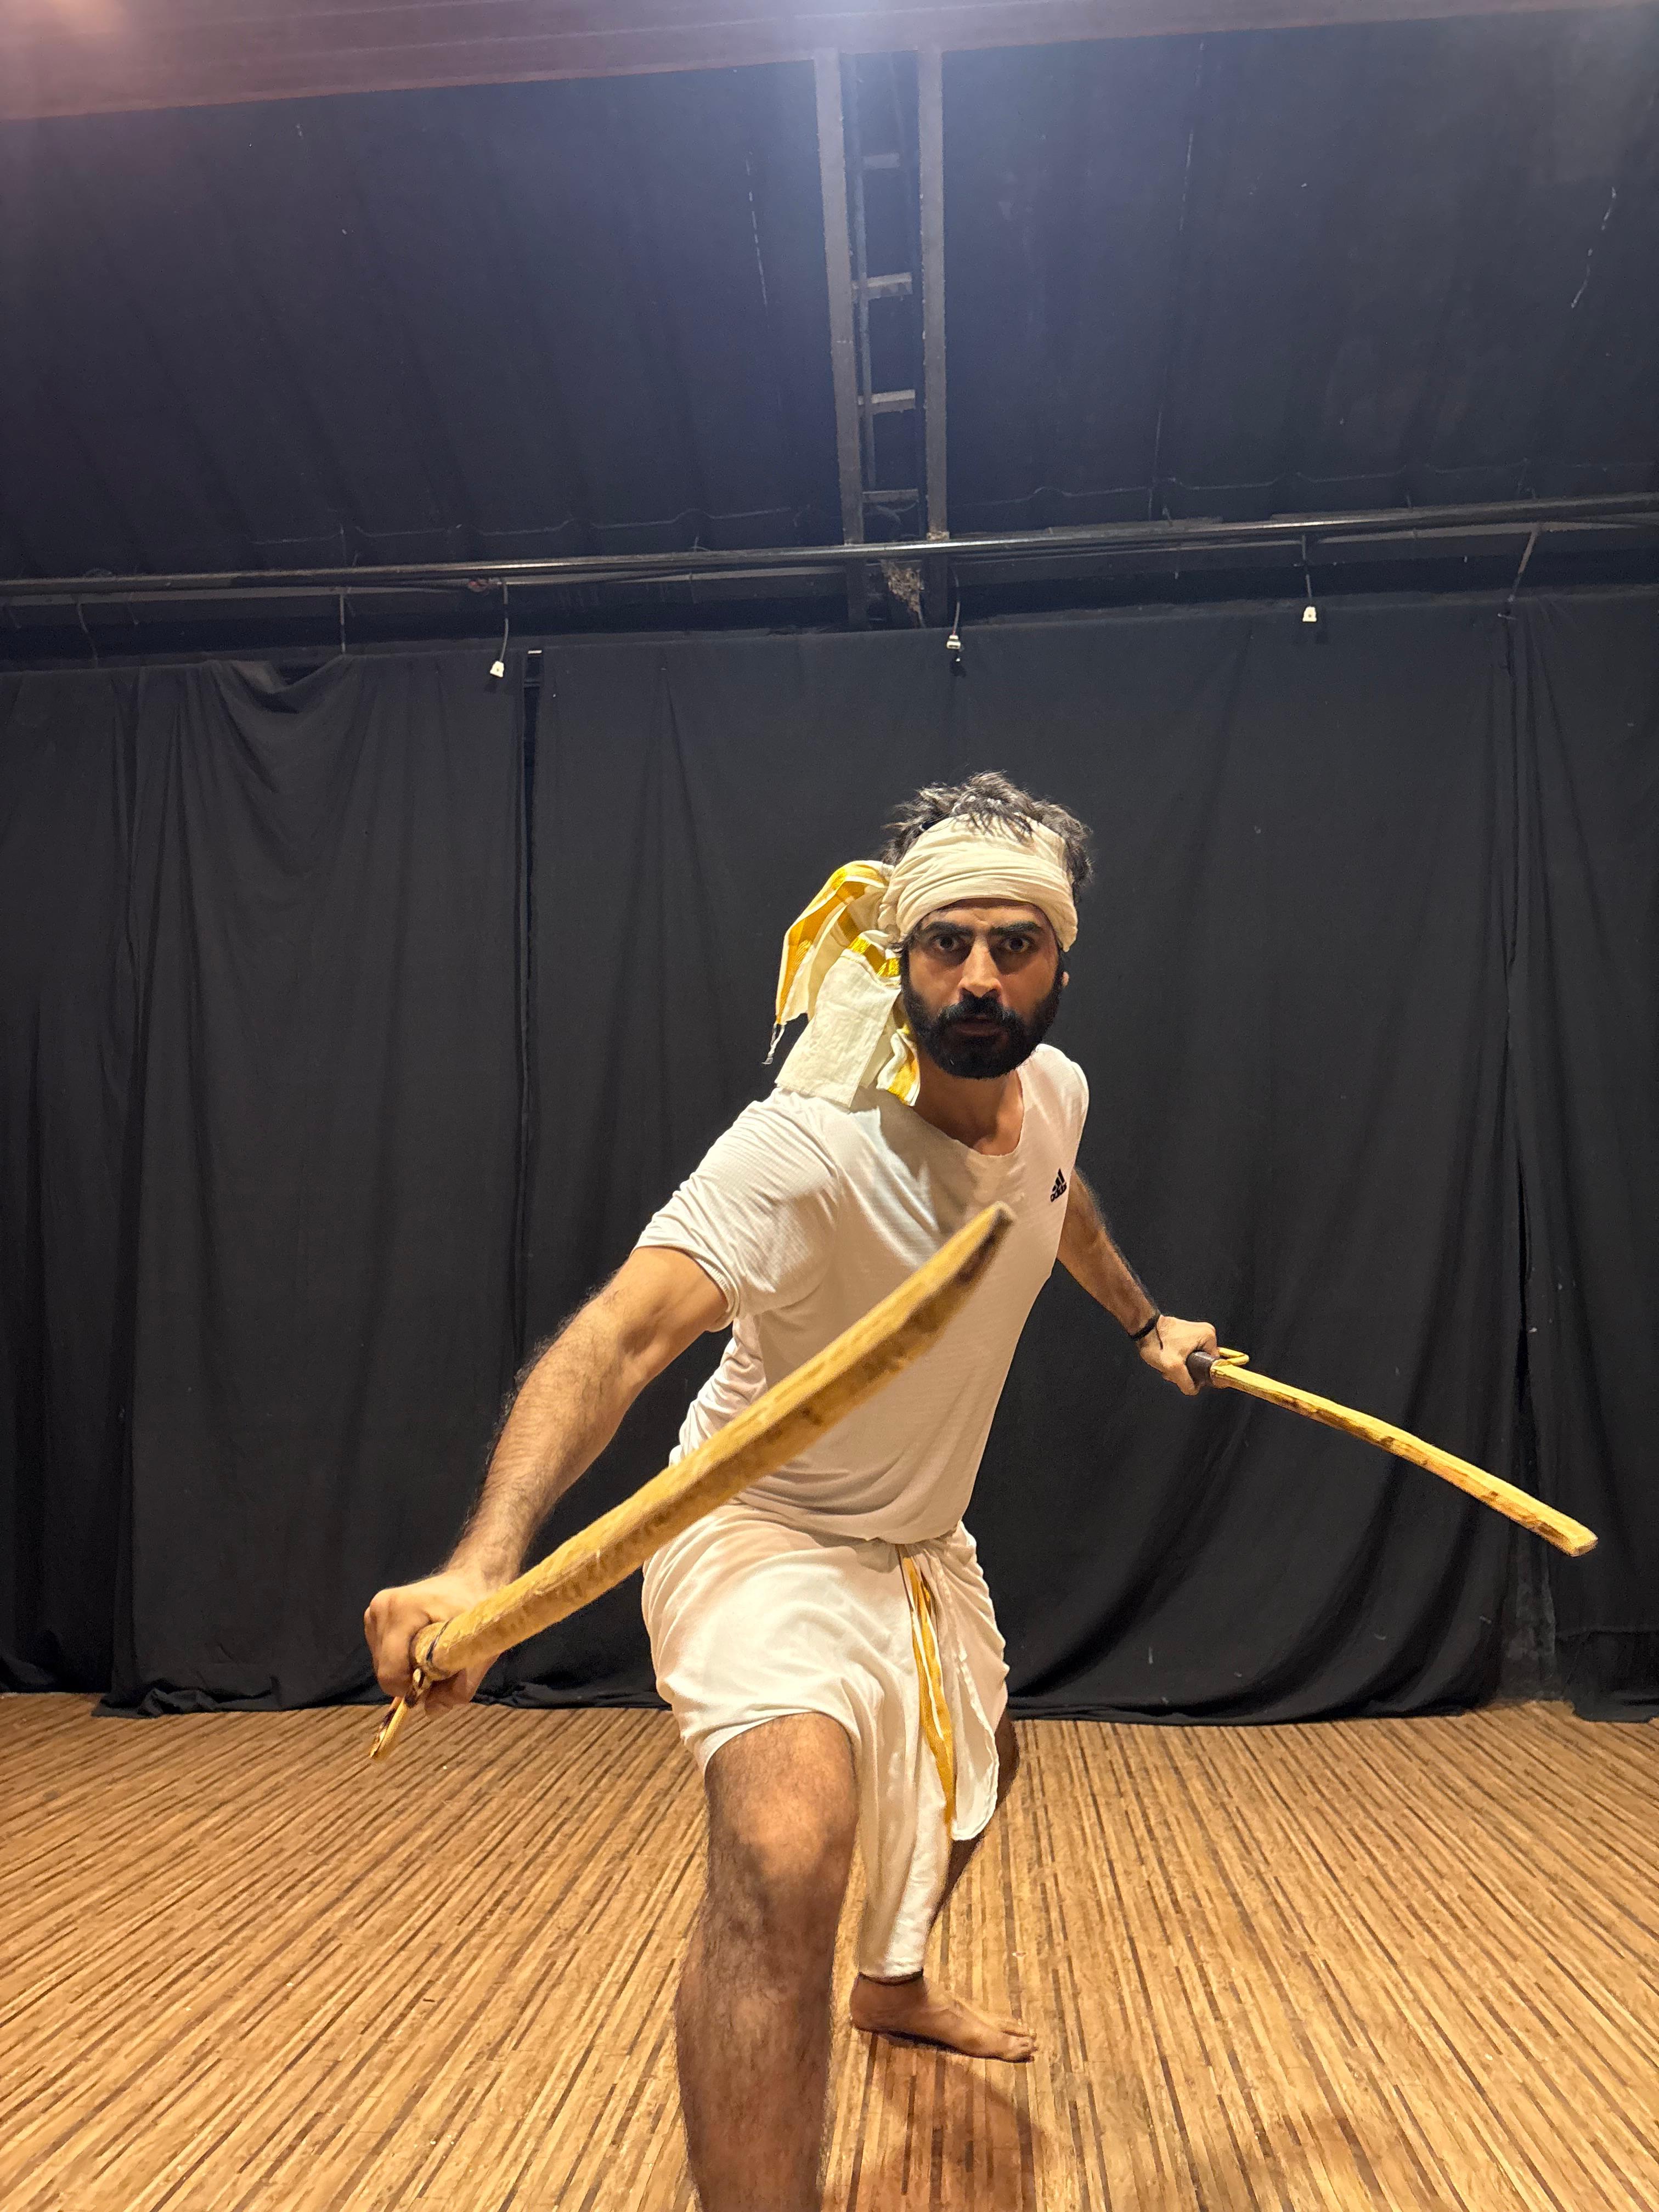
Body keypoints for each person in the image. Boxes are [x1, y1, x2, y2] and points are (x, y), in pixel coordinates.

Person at [365, 770, 1216, 2212]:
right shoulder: (808, 1145)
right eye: (948, 942)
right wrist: (482, 1564)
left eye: (1014, 944)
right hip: (756, 1535)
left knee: (979, 1775)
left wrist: (1144, 1324)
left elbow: (1057, 1199)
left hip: (919, 1545)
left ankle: (891, 1982)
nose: (980, 976)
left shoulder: (1054, 1094)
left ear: (1061, 965)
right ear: (901, 953)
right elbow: (617, 1338)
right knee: (786, 1847)